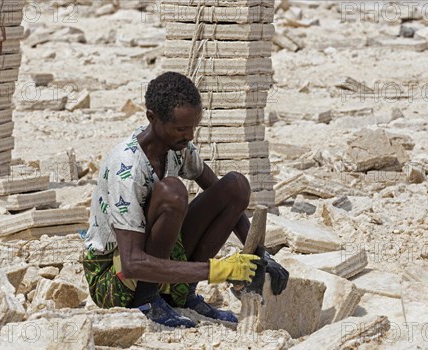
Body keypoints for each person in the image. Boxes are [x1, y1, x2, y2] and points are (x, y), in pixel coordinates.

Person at [82, 72, 289, 328]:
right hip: (115, 277)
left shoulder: (177, 148)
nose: (190, 135)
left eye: (193, 127)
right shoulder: (127, 168)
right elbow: (132, 262)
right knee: (172, 192)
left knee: (236, 185)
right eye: (181, 128)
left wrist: (260, 253)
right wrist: (218, 270)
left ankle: (182, 294)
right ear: (152, 118)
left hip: (155, 258)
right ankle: (147, 301)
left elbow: (224, 198)